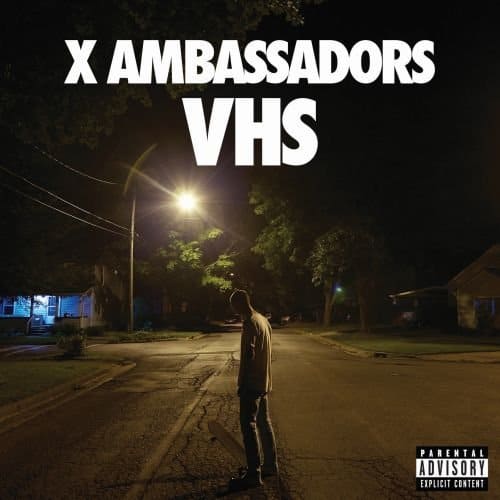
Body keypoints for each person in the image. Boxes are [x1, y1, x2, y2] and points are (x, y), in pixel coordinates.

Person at [228, 289, 278, 491]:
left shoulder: (250, 323)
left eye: (233, 306)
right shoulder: (263, 320)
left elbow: (249, 353)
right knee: (264, 423)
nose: (233, 310)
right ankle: (270, 465)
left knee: (248, 426)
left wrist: (243, 383)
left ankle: (253, 473)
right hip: (264, 381)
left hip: (252, 383)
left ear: (238, 305)